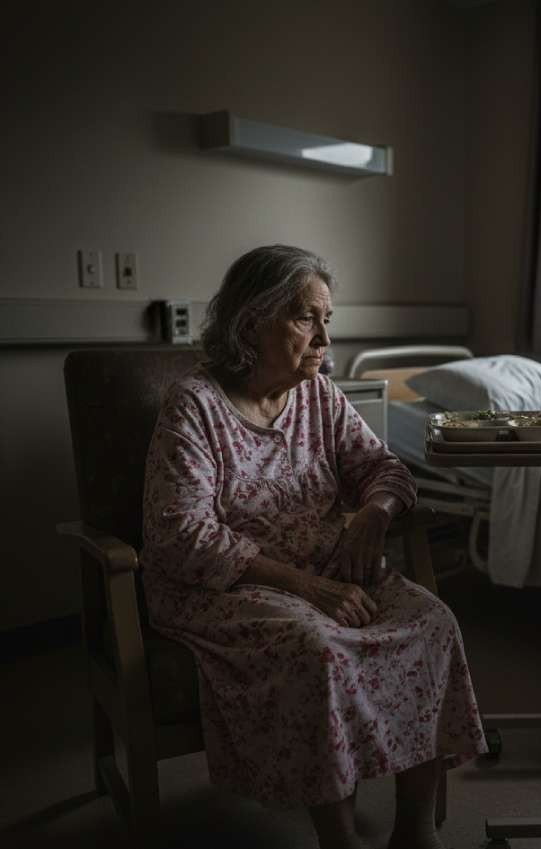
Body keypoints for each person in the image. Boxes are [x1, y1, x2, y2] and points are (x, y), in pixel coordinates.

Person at [141, 245, 487, 849]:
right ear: (251, 321)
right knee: (316, 646)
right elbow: (182, 533)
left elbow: (385, 469)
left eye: (327, 318)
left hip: (329, 567)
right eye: (306, 318)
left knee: (434, 622)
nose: (325, 336)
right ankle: (340, 838)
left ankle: (413, 831)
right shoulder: (194, 405)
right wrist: (307, 587)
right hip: (231, 587)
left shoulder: (319, 396)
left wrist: (372, 517)